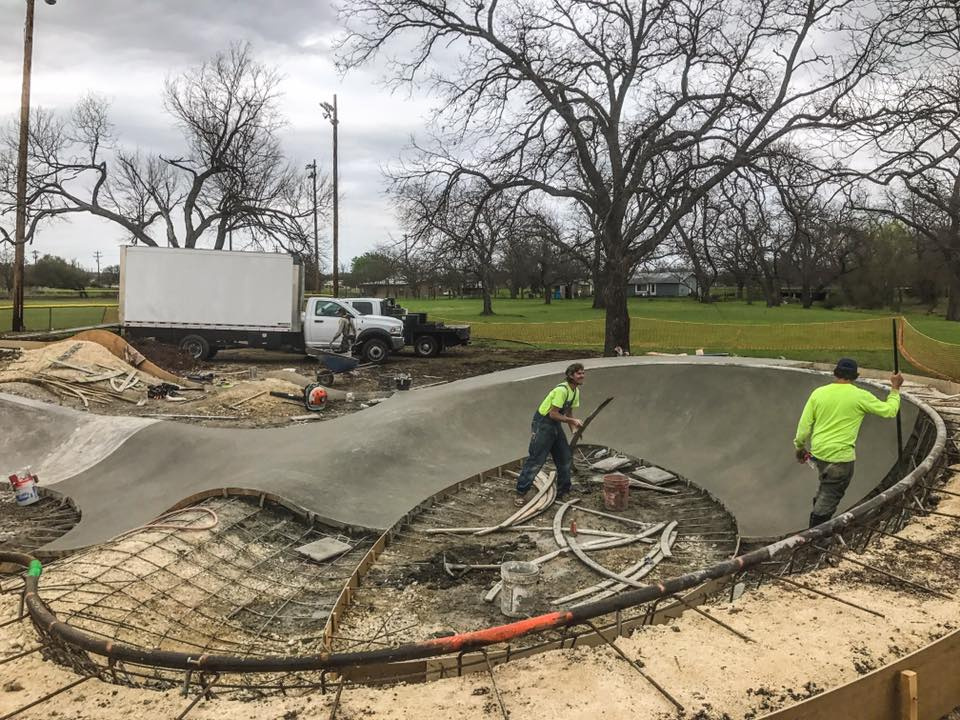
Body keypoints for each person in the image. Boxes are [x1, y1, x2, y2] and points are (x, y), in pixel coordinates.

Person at [794, 357, 903, 528]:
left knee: (826, 489)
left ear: (835, 373)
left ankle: (816, 527)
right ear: (855, 376)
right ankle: (815, 537)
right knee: (827, 499)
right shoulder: (859, 396)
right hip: (841, 459)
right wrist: (895, 389)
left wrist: (799, 447)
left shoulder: (819, 393)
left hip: (819, 454)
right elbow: (889, 411)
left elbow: (804, 427)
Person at [514, 363, 586, 506]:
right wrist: (573, 420)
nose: (582, 376)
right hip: (543, 424)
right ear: (571, 375)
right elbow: (553, 414)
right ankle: (520, 493)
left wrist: (573, 429)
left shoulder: (575, 391)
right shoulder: (562, 390)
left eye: (583, 373)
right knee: (536, 460)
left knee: (565, 458)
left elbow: (568, 412)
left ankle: (563, 492)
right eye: (579, 373)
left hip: (555, 425)